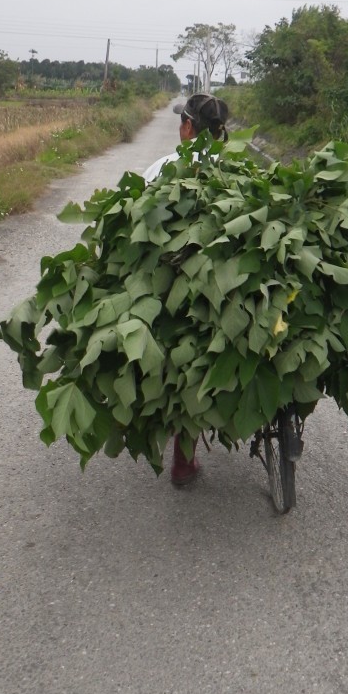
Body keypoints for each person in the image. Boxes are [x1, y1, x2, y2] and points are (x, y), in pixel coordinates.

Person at [142, 93, 230, 484]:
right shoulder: (234, 171)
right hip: (222, 287)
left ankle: (180, 456)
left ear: (189, 128)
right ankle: (186, 454)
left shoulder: (160, 169)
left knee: (174, 346)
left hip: (171, 285)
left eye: (183, 122)